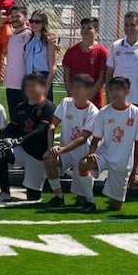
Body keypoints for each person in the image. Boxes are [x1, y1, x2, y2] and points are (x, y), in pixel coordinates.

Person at [105, 11, 138, 174]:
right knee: (117, 136)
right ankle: (115, 169)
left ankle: (137, 171)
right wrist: (109, 95)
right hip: (118, 101)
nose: (128, 28)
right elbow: (109, 72)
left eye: (132, 25)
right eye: (126, 25)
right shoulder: (116, 46)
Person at [80, 77, 138, 213]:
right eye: (112, 89)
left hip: (123, 161)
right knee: (83, 164)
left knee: (115, 207)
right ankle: (90, 201)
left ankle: (112, 192)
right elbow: (96, 138)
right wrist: (91, 153)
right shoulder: (104, 112)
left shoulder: (136, 114)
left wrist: (135, 171)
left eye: (118, 89)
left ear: (127, 91)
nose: (114, 93)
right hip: (104, 155)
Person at [0, 72, 55, 202]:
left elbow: (40, 130)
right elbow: (11, 127)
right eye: (27, 86)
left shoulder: (48, 106)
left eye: (34, 85)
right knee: (0, 150)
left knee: (32, 197)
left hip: (37, 156)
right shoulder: (21, 106)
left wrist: (20, 140)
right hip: (22, 150)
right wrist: (3, 138)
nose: (30, 89)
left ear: (43, 87)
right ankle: (5, 192)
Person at [43, 74, 100, 208]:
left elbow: (83, 138)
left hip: (83, 155)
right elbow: (52, 125)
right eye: (74, 87)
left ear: (89, 90)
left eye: (79, 88)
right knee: (48, 159)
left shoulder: (93, 112)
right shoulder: (66, 102)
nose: (74, 90)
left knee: (81, 200)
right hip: (66, 152)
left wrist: (61, 149)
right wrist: (51, 147)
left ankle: (91, 202)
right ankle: (58, 196)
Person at [62, 16, 108, 108]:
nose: (85, 30)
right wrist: (70, 93)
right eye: (83, 28)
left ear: (97, 30)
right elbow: (66, 74)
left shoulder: (102, 51)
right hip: (75, 99)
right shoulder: (72, 50)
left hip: (94, 101)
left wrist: (89, 97)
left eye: (89, 28)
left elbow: (102, 77)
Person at [23, 10, 58, 102]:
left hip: (43, 78)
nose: (33, 24)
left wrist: (45, 90)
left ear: (43, 23)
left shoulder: (49, 40)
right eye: (31, 21)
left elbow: (53, 68)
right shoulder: (29, 39)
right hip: (30, 78)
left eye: (37, 21)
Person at [3, 5, 31, 114]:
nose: (14, 19)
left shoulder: (30, 35)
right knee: (13, 118)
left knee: (24, 119)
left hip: (23, 85)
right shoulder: (11, 36)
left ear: (25, 17)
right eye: (12, 16)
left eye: (17, 16)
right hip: (10, 84)